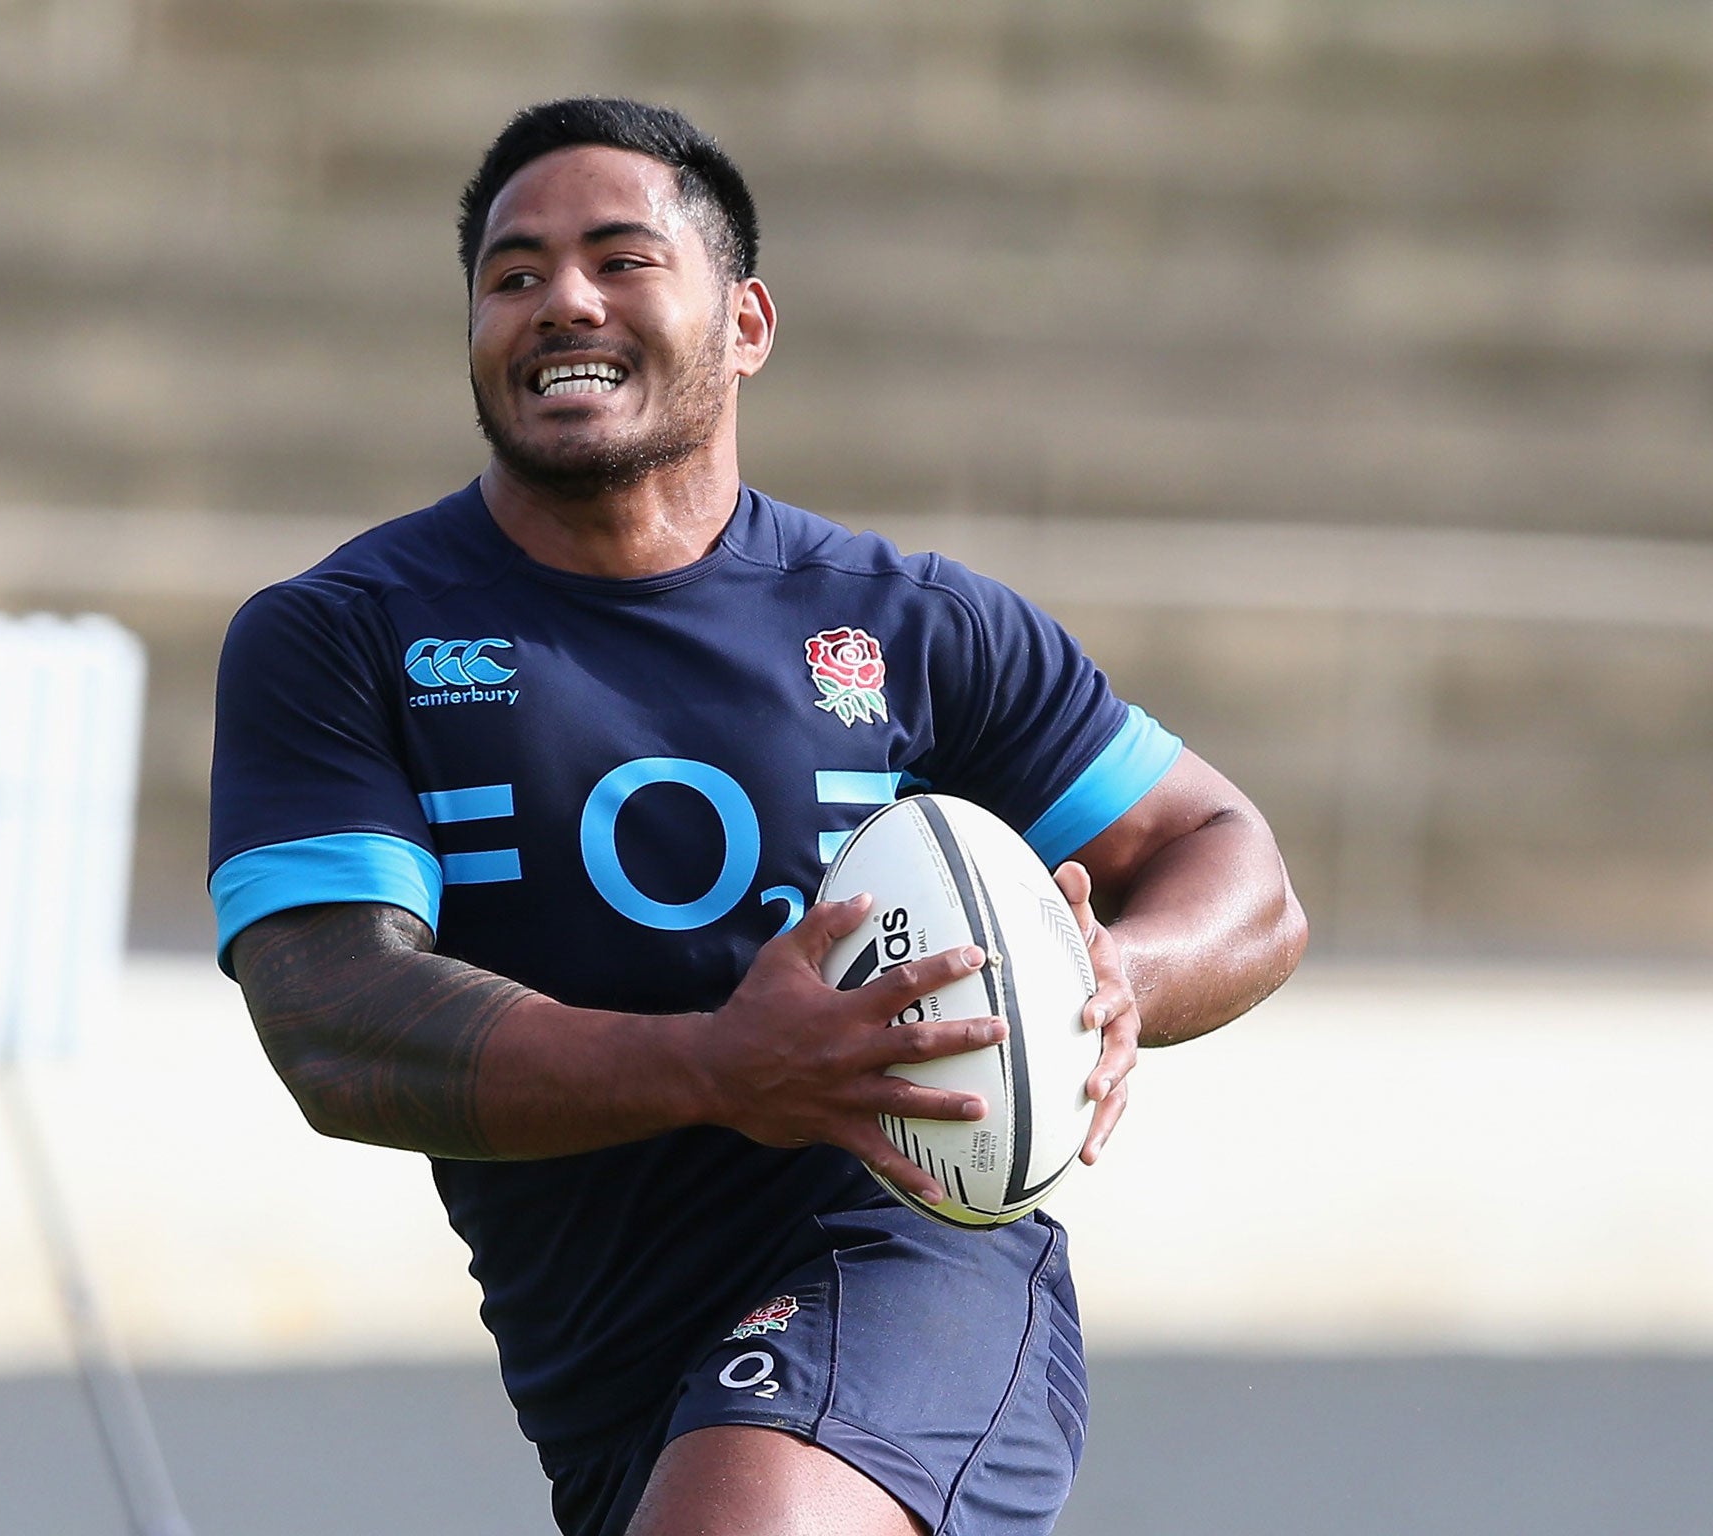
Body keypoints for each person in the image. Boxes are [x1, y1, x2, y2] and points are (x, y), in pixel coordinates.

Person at [209, 97, 1306, 1536]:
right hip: (601, 1365)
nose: (562, 302)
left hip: (907, 1264)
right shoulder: (342, 637)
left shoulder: (913, 624)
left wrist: (1113, 981)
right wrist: (718, 1065)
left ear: (747, 321)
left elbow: (1237, 871)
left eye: (620, 258)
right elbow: (336, 1022)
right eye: (513, 274)